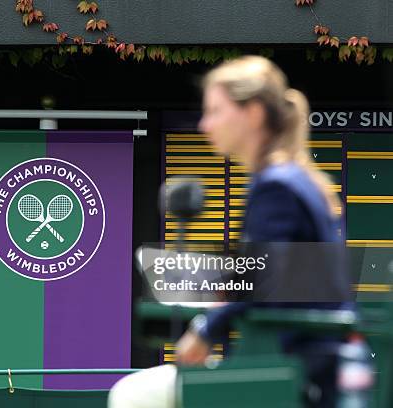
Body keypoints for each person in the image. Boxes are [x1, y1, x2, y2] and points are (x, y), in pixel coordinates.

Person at [108, 55, 350, 408]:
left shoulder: (275, 187)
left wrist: (205, 330)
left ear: (252, 113)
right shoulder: (292, 178)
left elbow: (262, 278)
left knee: (132, 394)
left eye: (216, 111)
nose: (205, 125)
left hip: (293, 370)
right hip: (305, 360)